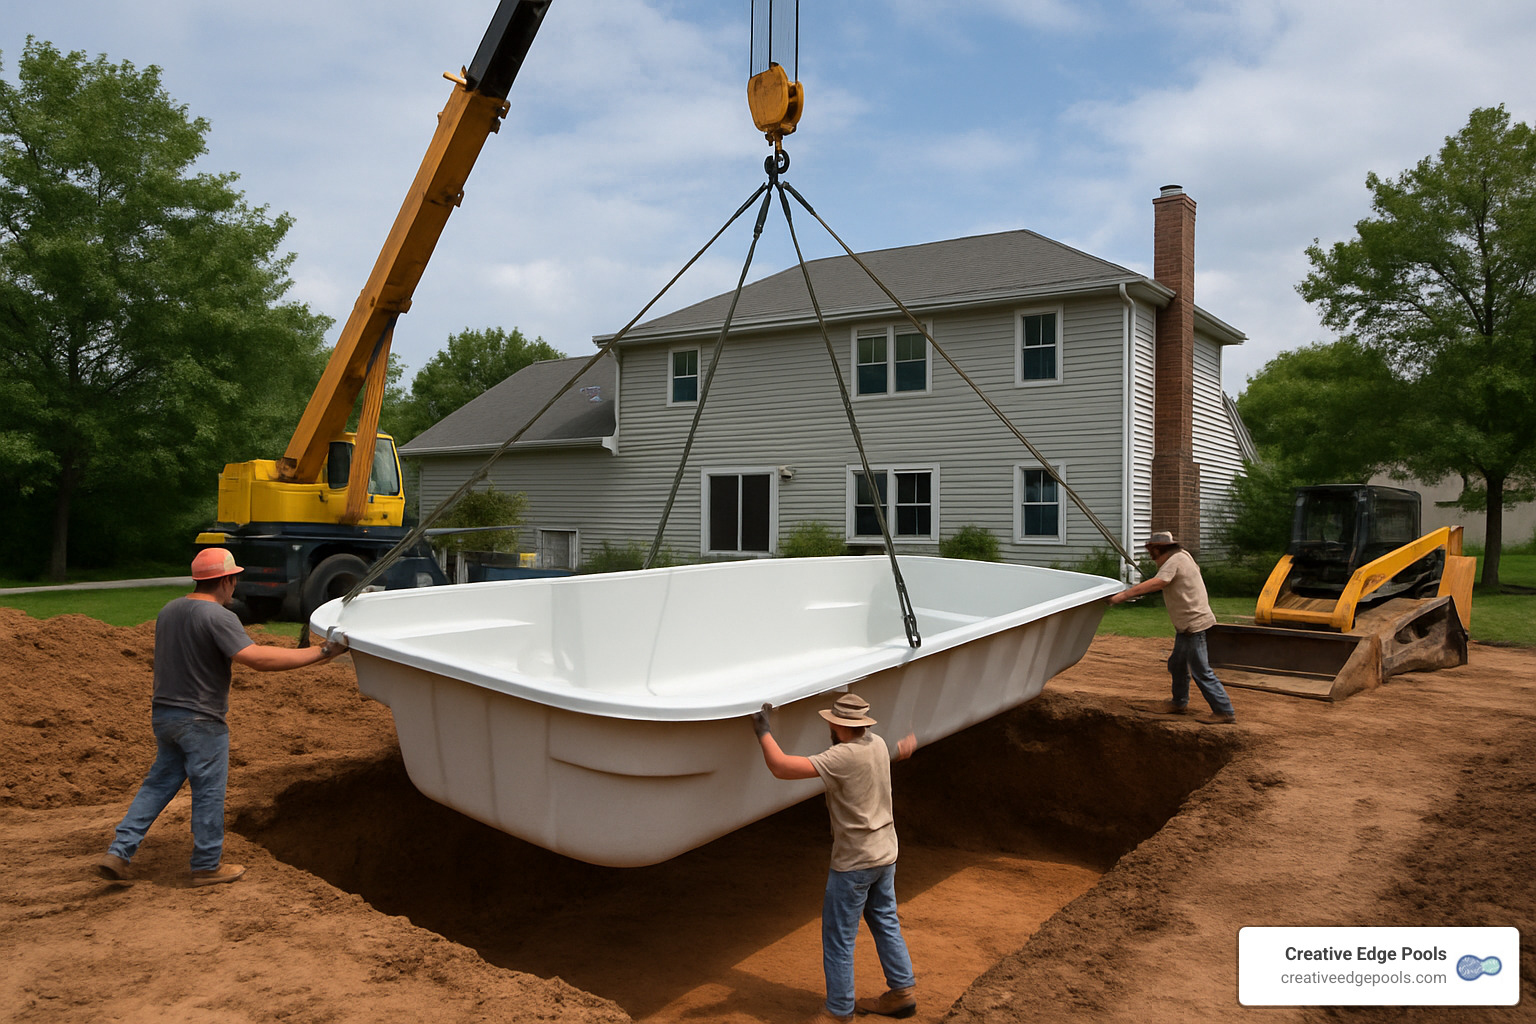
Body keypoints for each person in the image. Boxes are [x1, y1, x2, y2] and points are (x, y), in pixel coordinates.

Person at [95, 548, 346, 886]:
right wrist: (321, 652)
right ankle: (206, 865)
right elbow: (255, 658)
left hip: (165, 716)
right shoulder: (217, 616)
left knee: (157, 786)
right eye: (234, 580)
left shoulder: (170, 610)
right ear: (226, 580)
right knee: (208, 792)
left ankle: (119, 851)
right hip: (201, 721)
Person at [752, 693, 919, 1022]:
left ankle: (839, 1010)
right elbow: (886, 755)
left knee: (839, 937)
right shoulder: (877, 744)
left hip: (854, 863)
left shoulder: (840, 757)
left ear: (834, 723)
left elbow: (781, 767)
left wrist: (762, 730)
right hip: (885, 853)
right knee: (885, 921)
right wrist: (901, 750)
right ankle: (902, 994)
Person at [1108, 530, 1236, 725]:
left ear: (1158, 549)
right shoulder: (1183, 556)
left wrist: (1123, 595)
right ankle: (1178, 703)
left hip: (1193, 624)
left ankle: (1224, 710)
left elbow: (1160, 582)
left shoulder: (1175, 561)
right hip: (1187, 625)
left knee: (1201, 670)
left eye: (1151, 551)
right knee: (1177, 664)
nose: (1151, 556)